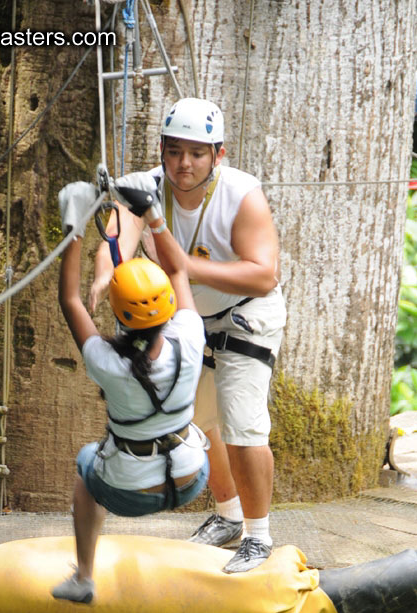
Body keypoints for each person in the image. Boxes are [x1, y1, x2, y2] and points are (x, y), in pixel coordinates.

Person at [90, 98, 286, 573]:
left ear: (218, 155)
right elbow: (118, 234)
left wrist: (181, 265)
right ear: (161, 149)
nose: (184, 164)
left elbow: (264, 275)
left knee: (243, 426)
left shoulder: (242, 194)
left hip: (245, 314)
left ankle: (259, 536)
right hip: (185, 318)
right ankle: (227, 515)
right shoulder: (145, 187)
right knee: (193, 421)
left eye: (197, 153)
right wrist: (103, 276)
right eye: (174, 151)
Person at [51, 180, 209, 604]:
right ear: (168, 305)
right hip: (191, 479)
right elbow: (178, 270)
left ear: (118, 312)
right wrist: (154, 214)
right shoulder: (190, 338)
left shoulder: (108, 362)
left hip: (128, 491)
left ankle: (85, 577)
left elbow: (71, 300)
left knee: (87, 462)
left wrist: (76, 225)